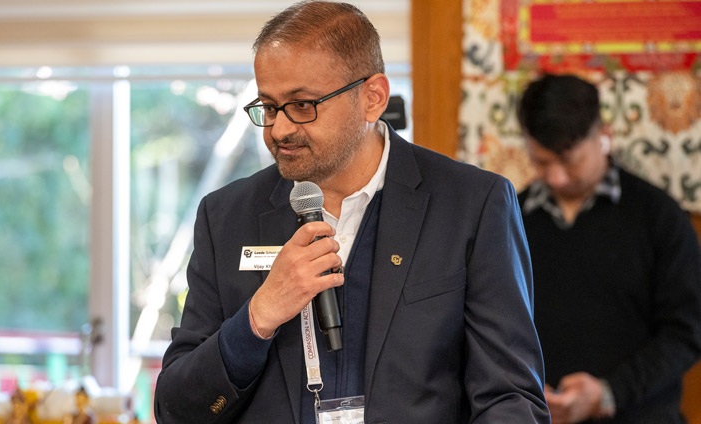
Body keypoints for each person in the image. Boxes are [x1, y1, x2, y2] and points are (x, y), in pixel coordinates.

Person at [154, 1, 549, 422]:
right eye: (269, 107)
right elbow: (177, 410)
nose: (280, 129)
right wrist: (258, 316)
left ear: (373, 98)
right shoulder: (225, 217)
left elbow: (511, 400)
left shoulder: (472, 204)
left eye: (302, 105)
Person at [516, 73, 701, 424]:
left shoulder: (659, 217)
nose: (556, 177)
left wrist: (607, 393)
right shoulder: (508, 218)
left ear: (604, 137)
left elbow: (687, 331)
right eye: (541, 162)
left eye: (569, 161)